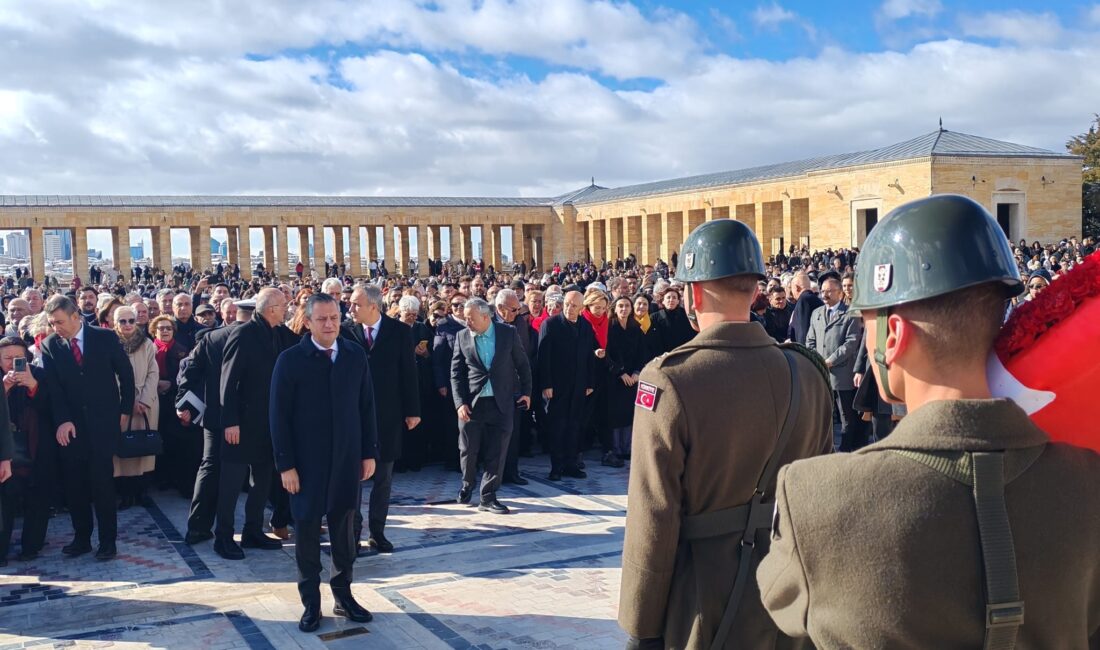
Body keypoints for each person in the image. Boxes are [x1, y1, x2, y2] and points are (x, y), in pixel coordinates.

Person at [757, 194, 1100, 647]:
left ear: (893, 337)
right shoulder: (1085, 482)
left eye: (868, 324)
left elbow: (782, 606)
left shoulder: (817, 498)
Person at [619, 219, 833, 650]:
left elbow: (653, 516)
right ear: (755, 290)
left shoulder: (669, 380)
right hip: (788, 600)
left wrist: (641, 626)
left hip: (704, 602)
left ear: (694, 294)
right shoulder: (808, 373)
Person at [270, 293, 379, 632]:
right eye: (322, 319)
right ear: (307, 321)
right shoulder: (290, 360)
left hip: (346, 460)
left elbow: (366, 406)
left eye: (334, 318)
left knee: (345, 532)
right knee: (305, 533)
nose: (330, 324)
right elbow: (278, 416)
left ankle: (343, 595)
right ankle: (311, 603)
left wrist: (369, 452)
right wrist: (285, 465)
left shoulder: (353, 354)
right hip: (305, 465)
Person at [41, 295, 135, 561]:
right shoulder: (51, 345)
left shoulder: (103, 338)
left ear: (75, 317)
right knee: (75, 486)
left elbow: (126, 375)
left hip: (104, 424)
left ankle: (108, 542)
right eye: (51, 323)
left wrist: (124, 411)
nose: (55, 327)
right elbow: (55, 389)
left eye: (59, 322)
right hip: (71, 429)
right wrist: (62, 420)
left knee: (102, 485)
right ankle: (81, 538)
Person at [217, 288, 296, 560]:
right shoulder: (244, 333)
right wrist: (230, 421)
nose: (287, 308)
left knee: (262, 480)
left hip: (267, 423)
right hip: (241, 423)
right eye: (283, 305)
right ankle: (223, 537)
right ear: (271, 308)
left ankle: (252, 531)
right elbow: (228, 381)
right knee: (231, 483)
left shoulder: (278, 333)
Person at [341, 284, 420, 555]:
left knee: (383, 478)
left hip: (387, 416)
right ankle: (353, 533)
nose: (350, 308)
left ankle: (377, 532)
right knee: (353, 479)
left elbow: (408, 372)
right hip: (353, 416)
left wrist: (413, 410)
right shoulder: (344, 332)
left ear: (373, 306)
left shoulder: (399, 332)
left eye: (356, 304)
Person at [176, 299, 254, 546]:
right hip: (245, 419)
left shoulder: (212, 337)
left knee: (209, 469)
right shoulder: (258, 338)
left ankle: (197, 527)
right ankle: (234, 531)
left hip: (213, 416)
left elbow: (189, 369)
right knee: (237, 474)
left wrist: (183, 404)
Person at [450, 298, 532, 514]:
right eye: (465, 317)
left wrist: (526, 393)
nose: (466, 321)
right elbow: (456, 374)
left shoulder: (507, 333)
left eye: (471, 318)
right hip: (472, 405)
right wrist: (460, 403)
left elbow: (523, 364)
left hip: (501, 402)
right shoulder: (462, 336)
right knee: (468, 450)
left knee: (497, 451)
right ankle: (467, 484)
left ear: (485, 317)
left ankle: (488, 496)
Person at [0, 337, 53, 564]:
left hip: (36, 447)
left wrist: (33, 386)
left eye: (17, 358)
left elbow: (52, 408)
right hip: (6, 453)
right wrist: (4, 389)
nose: (12, 363)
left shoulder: (39, 374)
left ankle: (31, 546)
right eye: (7, 358)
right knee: (4, 505)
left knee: (38, 499)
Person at [537, 291, 597, 481]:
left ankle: (571, 464)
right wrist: (546, 384)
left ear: (581, 308)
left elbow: (590, 356)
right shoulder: (551, 324)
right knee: (558, 427)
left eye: (574, 306)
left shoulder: (585, 326)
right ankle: (557, 466)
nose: (570, 309)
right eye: (567, 304)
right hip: (557, 386)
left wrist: (589, 382)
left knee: (575, 426)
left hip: (579, 385)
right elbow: (543, 356)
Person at [806, 275, 865, 451]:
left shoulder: (850, 314)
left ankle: (847, 450)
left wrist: (830, 361)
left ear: (840, 294)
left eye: (829, 291)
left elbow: (851, 343)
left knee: (846, 416)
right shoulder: (816, 313)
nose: (824, 294)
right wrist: (817, 360)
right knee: (824, 416)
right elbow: (810, 340)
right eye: (823, 291)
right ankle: (827, 448)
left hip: (842, 376)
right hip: (821, 374)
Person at [113, 306, 159, 509]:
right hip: (120, 403)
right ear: (115, 323)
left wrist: (144, 400)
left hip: (145, 403)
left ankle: (143, 492)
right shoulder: (110, 344)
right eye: (122, 321)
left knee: (144, 449)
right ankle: (125, 494)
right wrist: (127, 401)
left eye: (131, 320)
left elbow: (153, 372)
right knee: (123, 449)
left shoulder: (147, 343)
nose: (128, 325)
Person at [148, 315, 193, 496]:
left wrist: (170, 385)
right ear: (154, 331)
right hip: (153, 400)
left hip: (174, 400)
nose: (165, 331)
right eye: (161, 328)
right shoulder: (148, 350)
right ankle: (160, 478)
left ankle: (175, 478)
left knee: (175, 440)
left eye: (168, 328)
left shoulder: (182, 350)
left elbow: (187, 376)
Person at [603, 296, 643, 463]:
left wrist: (636, 372)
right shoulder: (609, 328)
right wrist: (620, 373)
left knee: (629, 414)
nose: (624, 309)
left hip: (632, 378)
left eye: (627, 306)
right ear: (615, 308)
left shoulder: (636, 328)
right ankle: (615, 448)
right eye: (620, 306)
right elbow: (607, 353)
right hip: (615, 379)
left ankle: (627, 448)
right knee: (614, 414)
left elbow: (643, 352)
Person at [648, 288, 695, 354]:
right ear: (663, 301)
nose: (671, 300)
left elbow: (695, 324)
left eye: (674, 297)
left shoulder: (687, 314)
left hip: (684, 353)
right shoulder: (654, 317)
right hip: (663, 355)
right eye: (668, 297)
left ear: (678, 301)